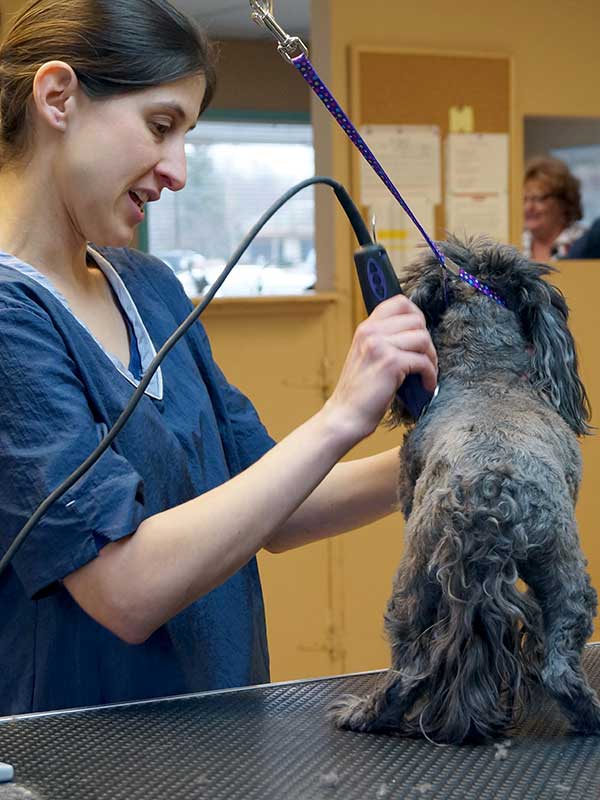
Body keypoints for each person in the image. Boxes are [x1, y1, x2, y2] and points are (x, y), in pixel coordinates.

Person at [0, 0, 437, 716]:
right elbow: (125, 590)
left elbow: (278, 504)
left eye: (187, 136)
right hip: (79, 753)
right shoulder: (11, 320)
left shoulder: (150, 287)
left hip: (223, 734)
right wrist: (341, 416)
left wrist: (451, 452)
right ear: (58, 97)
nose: (176, 171)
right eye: (160, 126)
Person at [522, 156, 586, 260]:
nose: (528, 207)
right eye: (524, 199)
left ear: (563, 201)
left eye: (538, 198)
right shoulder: (514, 245)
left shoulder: (585, 244)